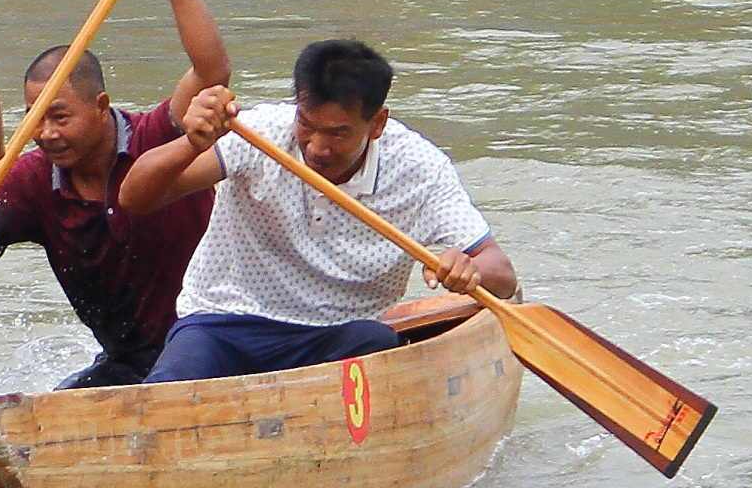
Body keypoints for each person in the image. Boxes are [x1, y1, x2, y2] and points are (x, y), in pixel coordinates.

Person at [0, 0, 234, 387]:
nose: (45, 133)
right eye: (33, 118)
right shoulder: (30, 180)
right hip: (131, 359)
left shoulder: (157, 133)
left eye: (59, 116)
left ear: (101, 108)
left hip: (215, 337)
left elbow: (212, 71)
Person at [116, 37, 519, 382]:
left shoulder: (419, 168)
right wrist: (193, 141)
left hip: (337, 334)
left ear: (377, 124)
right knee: (167, 389)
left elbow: (501, 274)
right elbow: (135, 198)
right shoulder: (259, 134)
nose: (317, 147)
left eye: (339, 133)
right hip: (224, 322)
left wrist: (466, 270)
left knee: (378, 344)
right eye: (307, 124)